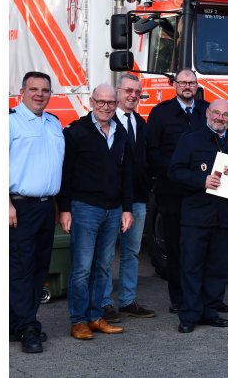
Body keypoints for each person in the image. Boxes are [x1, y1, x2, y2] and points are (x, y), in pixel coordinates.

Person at [169, 99, 228, 333]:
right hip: (196, 215)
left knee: (218, 267)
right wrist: (202, 181)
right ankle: (189, 314)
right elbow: (175, 172)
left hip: (225, 216)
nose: (220, 118)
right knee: (191, 266)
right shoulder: (191, 139)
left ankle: (210, 311)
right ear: (208, 113)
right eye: (216, 113)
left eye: (225, 115)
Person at [59, 84, 134, 340]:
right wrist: (65, 208)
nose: (105, 107)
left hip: (113, 211)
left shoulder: (121, 134)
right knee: (81, 268)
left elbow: (127, 174)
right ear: (92, 102)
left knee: (103, 267)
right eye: (100, 102)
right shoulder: (77, 132)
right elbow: (66, 173)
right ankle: (78, 320)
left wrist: (127, 208)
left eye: (110, 103)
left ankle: (94, 316)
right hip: (84, 209)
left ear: (116, 104)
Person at [146, 69, 210, 314]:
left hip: (203, 192)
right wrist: (178, 171)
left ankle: (205, 297)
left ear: (197, 85)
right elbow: (152, 151)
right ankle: (179, 298)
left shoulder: (207, 110)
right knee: (175, 246)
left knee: (201, 245)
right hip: (171, 191)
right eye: (182, 82)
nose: (187, 86)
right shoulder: (161, 113)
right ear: (174, 85)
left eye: (191, 83)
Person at [10, 71, 65, 353]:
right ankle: (28, 327)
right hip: (19, 206)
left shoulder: (54, 124)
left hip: (46, 207)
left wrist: (57, 205)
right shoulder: (10, 122)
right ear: (22, 91)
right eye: (33, 89)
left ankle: (16, 322)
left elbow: (54, 167)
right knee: (22, 268)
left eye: (44, 90)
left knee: (39, 267)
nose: (39, 94)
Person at [101, 74, 157, 323]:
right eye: (128, 91)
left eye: (137, 92)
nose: (133, 95)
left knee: (131, 252)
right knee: (104, 254)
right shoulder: (105, 121)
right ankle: (103, 302)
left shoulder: (141, 123)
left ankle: (127, 300)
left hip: (137, 199)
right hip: (111, 200)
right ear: (118, 92)